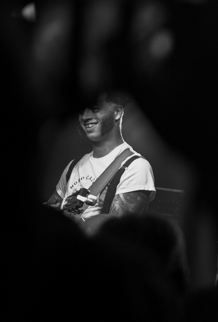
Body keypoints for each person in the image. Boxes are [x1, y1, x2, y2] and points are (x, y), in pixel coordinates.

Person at [45, 92, 155, 234]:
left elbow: (115, 233)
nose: (85, 116)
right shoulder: (74, 166)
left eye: (95, 109)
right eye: (81, 110)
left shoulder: (136, 167)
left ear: (117, 112)